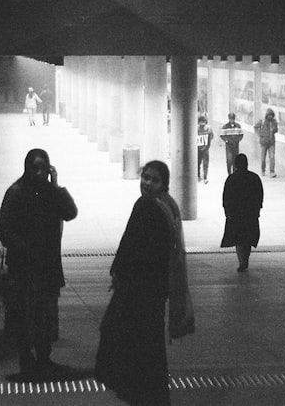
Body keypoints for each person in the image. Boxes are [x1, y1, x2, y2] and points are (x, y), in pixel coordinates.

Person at [95, 161, 194, 406]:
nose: (147, 183)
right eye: (145, 177)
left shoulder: (149, 207)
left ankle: (138, 393)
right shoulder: (167, 205)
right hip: (154, 291)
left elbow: (133, 246)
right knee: (149, 345)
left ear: (164, 184)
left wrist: (121, 274)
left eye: (154, 180)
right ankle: (150, 395)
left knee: (127, 339)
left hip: (139, 291)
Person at [0, 148, 78, 382]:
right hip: (24, 267)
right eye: (34, 168)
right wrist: (23, 248)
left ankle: (43, 358)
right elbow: (2, 227)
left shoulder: (51, 192)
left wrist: (56, 184)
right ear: (26, 168)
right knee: (24, 314)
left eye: (43, 168)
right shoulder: (16, 192)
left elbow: (71, 212)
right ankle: (26, 360)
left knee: (46, 314)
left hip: (47, 265)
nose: (39, 173)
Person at [220, 154, 264, 272]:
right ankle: (245, 260)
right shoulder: (254, 178)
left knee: (238, 239)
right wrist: (257, 210)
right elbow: (259, 195)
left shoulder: (231, 179)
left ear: (235, 165)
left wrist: (227, 212)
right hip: (250, 214)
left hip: (236, 215)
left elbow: (226, 197)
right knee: (248, 239)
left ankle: (242, 261)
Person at [254, 108, 278, 177]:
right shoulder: (262, 121)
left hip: (271, 142)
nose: (270, 117)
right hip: (264, 142)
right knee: (263, 158)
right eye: (269, 115)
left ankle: (272, 171)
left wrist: (273, 129)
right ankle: (263, 170)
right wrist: (259, 135)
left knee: (272, 157)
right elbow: (256, 127)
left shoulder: (274, 122)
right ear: (267, 115)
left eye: (271, 115)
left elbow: (276, 130)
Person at [196, 114, 214, 183]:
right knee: (198, 162)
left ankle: (205, 177)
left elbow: (211, 136)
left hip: (205, 148)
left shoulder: (208, 129)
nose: (202, 123)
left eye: (203, 122)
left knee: (205, 163)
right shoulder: (197, 129)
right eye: (201, 122)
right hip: (200, 148)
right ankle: (198, 176)